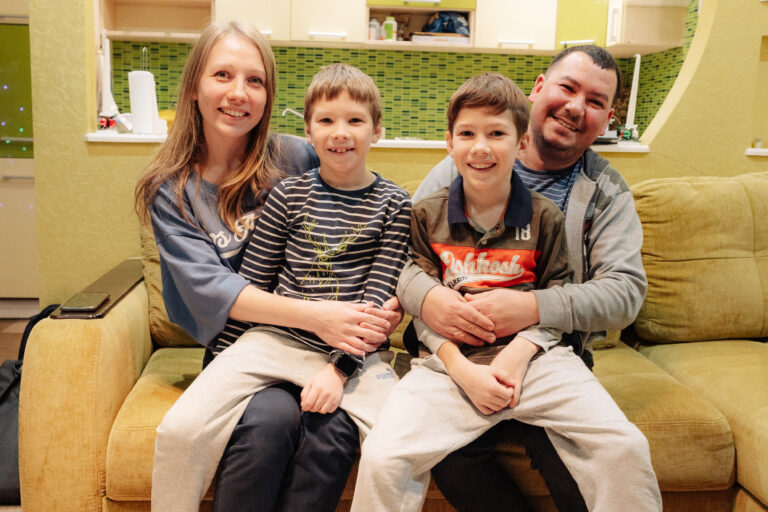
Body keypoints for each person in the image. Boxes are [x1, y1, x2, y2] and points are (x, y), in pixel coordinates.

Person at [350, 72, 661, 512]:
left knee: (623, 446)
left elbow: (566, 294)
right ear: (449, 143)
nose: (480, 147)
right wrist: (458, 367)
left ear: (520, 143)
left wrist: (519, 353)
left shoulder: (549, 215)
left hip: (538, 359)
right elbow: (417, 299)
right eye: (467, 134)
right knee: (383, 457)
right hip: (448, 368)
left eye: (496, 134)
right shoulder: (426, 210)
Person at [135, 23, 401, 512]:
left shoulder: (293, 157)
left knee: (330, 430)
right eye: (223, 75)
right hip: (245, 343)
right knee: (269, 423)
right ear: (195, 85)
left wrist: (380, 312)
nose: (239, 93)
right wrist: (323, 317)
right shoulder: (170, 192)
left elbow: (376, 244)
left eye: (254, 81)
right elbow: (219, 289)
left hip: (333, 350)